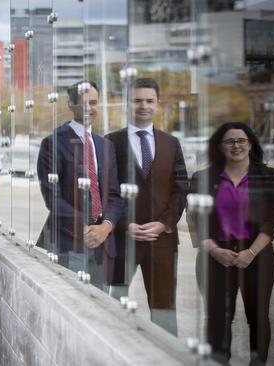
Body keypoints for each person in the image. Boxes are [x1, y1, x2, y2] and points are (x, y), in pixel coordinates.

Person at [188, 122, 274, 365]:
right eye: (229, 141)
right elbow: (196, 220)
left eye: (241, 140)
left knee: (258, 317)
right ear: (220, 147)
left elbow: (273, 219)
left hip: (257, 257)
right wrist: (214, 250)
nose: (236, 145)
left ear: (251, 144)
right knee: (218, 317)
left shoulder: (267, 176)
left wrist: (251, 253)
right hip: (214, 257)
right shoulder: (202, 178)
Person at [105, 77, 188, 334]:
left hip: (161, 242)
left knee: (164, 312)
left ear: (157, 104)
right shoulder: (110, 142)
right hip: (121, 240)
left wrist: (164, 224)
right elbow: (105, 191)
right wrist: (123, 224)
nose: (143, 106)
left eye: (149, 101)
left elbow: (181, 189)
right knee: (114, 311)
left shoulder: (171, 143)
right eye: (137, 100)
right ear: (128, 104)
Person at [36, 80, 122, 289]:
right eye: (83, 103)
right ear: (70, 104)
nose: (88, 109)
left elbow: (115, 196)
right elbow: (53, 199)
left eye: (93, 103)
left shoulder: (105, 146)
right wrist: (86, 228)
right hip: (68, 242)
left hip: (102, 246)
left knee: (98, 308)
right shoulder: (53, 142)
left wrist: (105, 227)